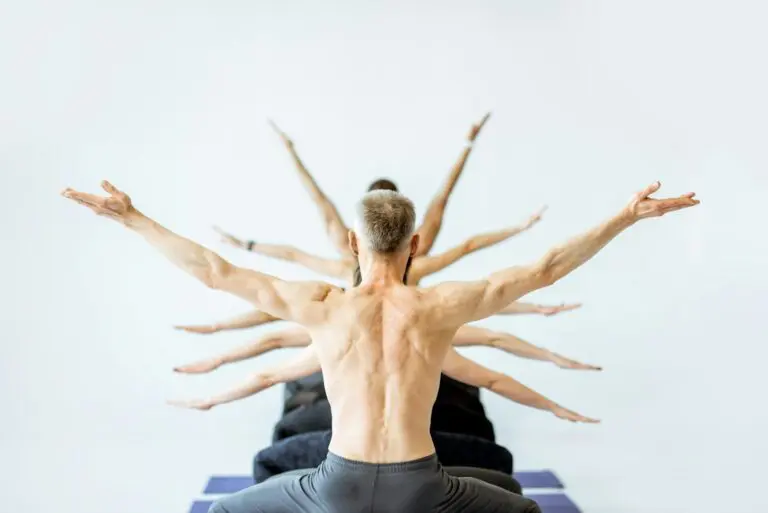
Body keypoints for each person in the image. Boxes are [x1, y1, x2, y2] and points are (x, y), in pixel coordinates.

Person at [61, 180, 698, 512]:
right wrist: (625, 217)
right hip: (425, 489)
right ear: (416, 245)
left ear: (349, 243)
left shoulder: (322, 306)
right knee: (520, 510)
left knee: (230, 511)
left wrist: (132, 218)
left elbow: (214, 271)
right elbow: (545, 268)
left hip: (330, 490)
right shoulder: (440, 306)